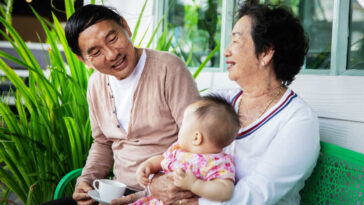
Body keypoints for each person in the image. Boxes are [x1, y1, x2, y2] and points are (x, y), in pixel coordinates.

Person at [149, 2, 320, 205]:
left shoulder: (298, 121)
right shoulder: (221, 100)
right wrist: (156, 182)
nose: (226, 51)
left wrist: (193, 203)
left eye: (236, 41)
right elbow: (181, 152)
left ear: (265, 53)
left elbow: (258, 193)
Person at [61, 4, 200, 205]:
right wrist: (86, 180)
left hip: (167, 192)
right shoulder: (96, 84)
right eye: (95, 52)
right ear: (83, 60)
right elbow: (103, 143)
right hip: (118, 192)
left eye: (113, 38)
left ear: (125, 27)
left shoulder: (168, 68)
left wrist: (157, 182)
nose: (111, 54)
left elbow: (198, 139)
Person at [132, 95, 240, 205]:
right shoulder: (179, 149)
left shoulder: (218, 162)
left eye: (183, 124)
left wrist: (194, 184)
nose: (180, 127)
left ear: (196, 138)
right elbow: (163, 160)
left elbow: (226, 191)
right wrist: (148, 165)